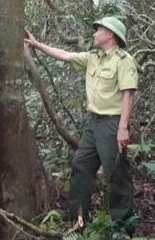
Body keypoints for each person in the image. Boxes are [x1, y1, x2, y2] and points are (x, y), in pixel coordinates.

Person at [24, 17, 137, 228]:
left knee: (116, 172)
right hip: (93, 122)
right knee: (81, 165)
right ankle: (77, 215)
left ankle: (123, 225)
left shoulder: (123, 60)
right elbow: (65, 55)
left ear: (110, 34)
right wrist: (36, 44)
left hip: (112, 123)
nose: (94, 33)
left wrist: (122, 128)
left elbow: (128, 94)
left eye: (98, 30)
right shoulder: (93, 57)